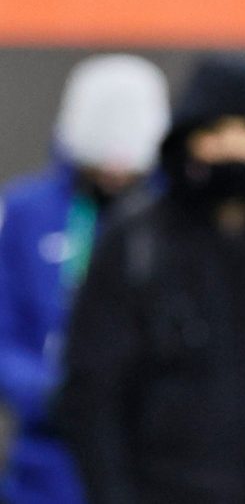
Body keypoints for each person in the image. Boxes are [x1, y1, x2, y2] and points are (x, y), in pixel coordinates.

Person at [59, 55, 245, 504]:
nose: (234, 151)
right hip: (165, 488)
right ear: (187, 140)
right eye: (216, 135)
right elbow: (92, 393)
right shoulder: (135, 240)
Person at [0, 54, 170, 504]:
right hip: (49, 465)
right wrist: (55, 396)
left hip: (153, 460)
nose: (115, 170)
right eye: (101, 154)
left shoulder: (174, 222)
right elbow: (4, 336)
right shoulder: (26, 212)